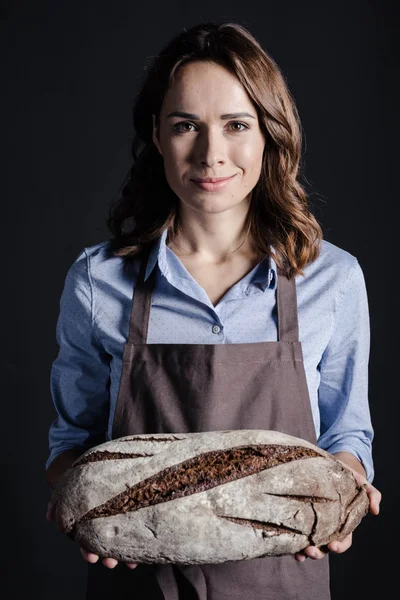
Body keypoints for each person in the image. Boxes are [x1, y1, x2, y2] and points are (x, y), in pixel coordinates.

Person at [45, 21, 381, 600]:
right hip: (137, 583)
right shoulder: (99, 281)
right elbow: (69, 445)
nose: (210, 154)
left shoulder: (333, 279)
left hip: (286, 579)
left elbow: (348, 432)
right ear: (156, 134)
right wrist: (78, 510)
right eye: (185, 126)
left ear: (268, 135)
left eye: (236, 125)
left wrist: (347, 488)